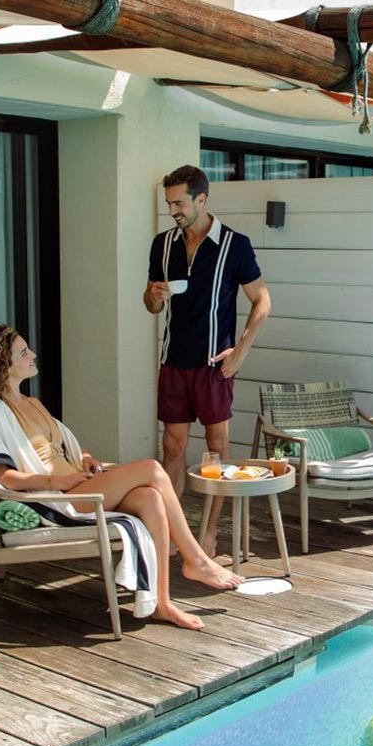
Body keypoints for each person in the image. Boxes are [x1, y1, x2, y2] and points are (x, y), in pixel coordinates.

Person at [0, 324, 244, 632]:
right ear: (3, 364)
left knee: (151, 497)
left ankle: (162, 603)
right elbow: (3, 477)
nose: (33, 354)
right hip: (60, 502)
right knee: (153, 469)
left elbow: (68, 446)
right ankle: (195, 559)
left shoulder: (33, 403)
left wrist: (87, 458)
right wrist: (55, 483)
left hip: (80, 486)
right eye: (24, 352)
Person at [144, 165, 271, 555]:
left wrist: (242, 350)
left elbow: (261, 301)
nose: (173, 210)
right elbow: (149, 303)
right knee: (173, 447)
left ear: (202, 198)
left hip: (215, 364)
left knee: (217, 447)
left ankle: (211, 532)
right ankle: (174, 531)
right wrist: (154, 296)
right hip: (174, 362)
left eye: (179, 202)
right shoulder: (162, 244)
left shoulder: (235, 244)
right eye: (169, 203)